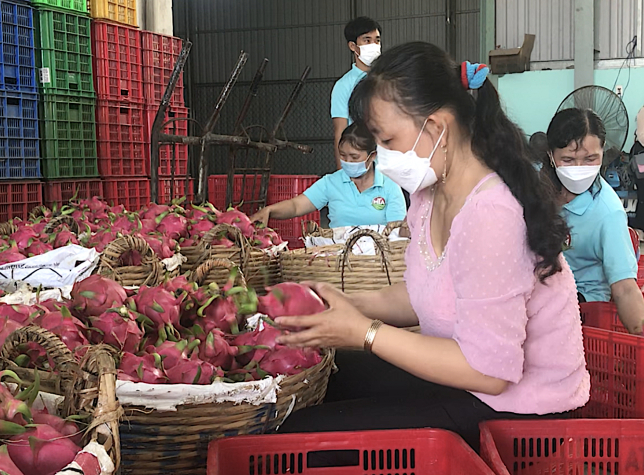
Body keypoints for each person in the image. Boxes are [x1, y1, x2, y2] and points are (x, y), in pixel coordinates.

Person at [274, 42, 589, 450]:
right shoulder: (429, 194)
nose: (382, 157)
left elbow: (489, 372)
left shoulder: (491, 212)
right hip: (468, 382)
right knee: (324, 383)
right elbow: (427, 293)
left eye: (387, 140)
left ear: (437, 128)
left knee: (302, 440)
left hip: (521, 414)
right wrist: (351, 304)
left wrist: (365, 333)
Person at [542, 108, 644, 333]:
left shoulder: (608, 212)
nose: (578, 169)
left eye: (590, 159)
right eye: (568, 160)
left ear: (603, 151)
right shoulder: (537, 193)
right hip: (543, 294)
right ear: (551, 156)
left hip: (583, 308)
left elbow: (625, 288)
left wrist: (639, 332)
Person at [251, 122, 406, 228]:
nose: (347, 161)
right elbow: (296, 206)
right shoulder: (332, 182)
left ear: (372, 156)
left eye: (354, 157)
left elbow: (397, 231)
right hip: (337, 262)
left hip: (377, 263)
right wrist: (269, 211)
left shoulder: (389, 185)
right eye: (343, 155)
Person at [331, 16, 382, 170]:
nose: (373, 45)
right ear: (353, 46)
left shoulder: (390, 79)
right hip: (362, 166)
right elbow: (340, 131)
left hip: (391, 166)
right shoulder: (343, 85)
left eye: (377, 40)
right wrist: (343, 173)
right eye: (367, 40)